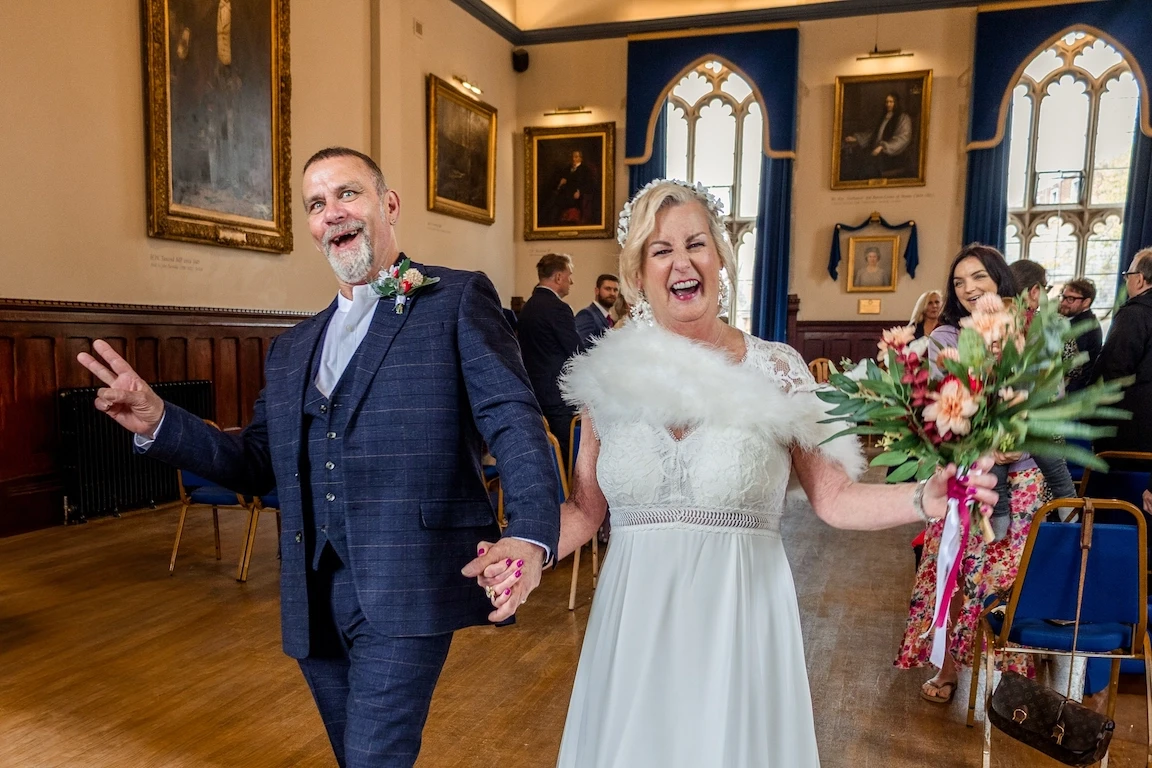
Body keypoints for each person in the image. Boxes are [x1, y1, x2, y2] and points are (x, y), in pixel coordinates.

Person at [475, 181, 998, 767]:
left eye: (696, 243)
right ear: (639, 272)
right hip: (635, 628)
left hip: (739, 625)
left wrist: (926, 497)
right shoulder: (606, 377)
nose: (681, 261)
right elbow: (586, 509)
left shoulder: (777, 368)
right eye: (660, 249)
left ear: (720, 257)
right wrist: (527, 549)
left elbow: (835, 498)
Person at [78, 147, 559, 768]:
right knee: (354, 755)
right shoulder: (292, 348)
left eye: (347, 194)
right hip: (312, 596)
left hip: (409, 581)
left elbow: (513, 417)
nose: (332, 212)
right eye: (315, 203)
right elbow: (255, 461)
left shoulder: (456, 300)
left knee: (373, 755)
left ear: (388, 206)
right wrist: (161, 421)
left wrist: (528, 533)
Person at [896, 244, 1051, 705]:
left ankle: (1013, 680)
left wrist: (1021, 434)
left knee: (1009, 580)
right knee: (959, 573)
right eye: (959, 281)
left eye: (978, 277)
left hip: (1021, 479)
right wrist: (985, 440)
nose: (967, 288)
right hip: (968, 476)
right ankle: (946, 667)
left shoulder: (1030, 327)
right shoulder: (946, 335)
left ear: (1000, 279)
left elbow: (1051, 393)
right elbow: (944, 401)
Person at [518, 253, 583, 459]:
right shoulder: (558, 308)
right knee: (566, 456)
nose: (571, 281)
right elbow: (575, 352)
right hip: (558, 397)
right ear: (558, 278)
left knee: (545, 455)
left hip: (535, 394)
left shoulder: (527, 307)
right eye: (569, 275)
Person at [1091, 247, 1152, 455]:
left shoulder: (1135, 314)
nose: (1126, 281)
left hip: (1129, 426)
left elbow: (1113, 370)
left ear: (1140, 279)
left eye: (1128, 275)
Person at [842, 92, 914, 180]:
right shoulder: (885, 117)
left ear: (896, 103)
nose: (888, 104)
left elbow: (903, 138)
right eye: (887, 102)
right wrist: (856, 138)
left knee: (867, 168)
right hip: (877, 151)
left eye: (891, 102)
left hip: (893, 155)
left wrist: (883, 147)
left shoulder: (903, 118)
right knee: (856, 160)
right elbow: (874, 134)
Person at [1057, 277, 1102, 392]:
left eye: (1070, 299)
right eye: (1063, 297)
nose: (1063, 302)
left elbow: (1069, 363)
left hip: (1075, 390)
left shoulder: (1085, 326)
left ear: (1086, 302)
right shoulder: (1070, 319)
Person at [549, 150, 596, 226]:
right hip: (566, 192)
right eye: (573, 157)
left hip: (577, 194)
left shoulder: (585, 170)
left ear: (581, 158)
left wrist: (579, 191)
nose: (574, 159)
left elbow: (589, 184)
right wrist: (561, 184)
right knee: (554, 199)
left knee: (567, 200)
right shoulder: (567, 169)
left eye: (576, 157)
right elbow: (563, 180)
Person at [574, 273, 620, 344]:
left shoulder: (611, 321)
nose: (612, 293)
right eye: (608, 289)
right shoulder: (586, 315)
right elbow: (583, 349)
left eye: (615, 290)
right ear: (597, 291)